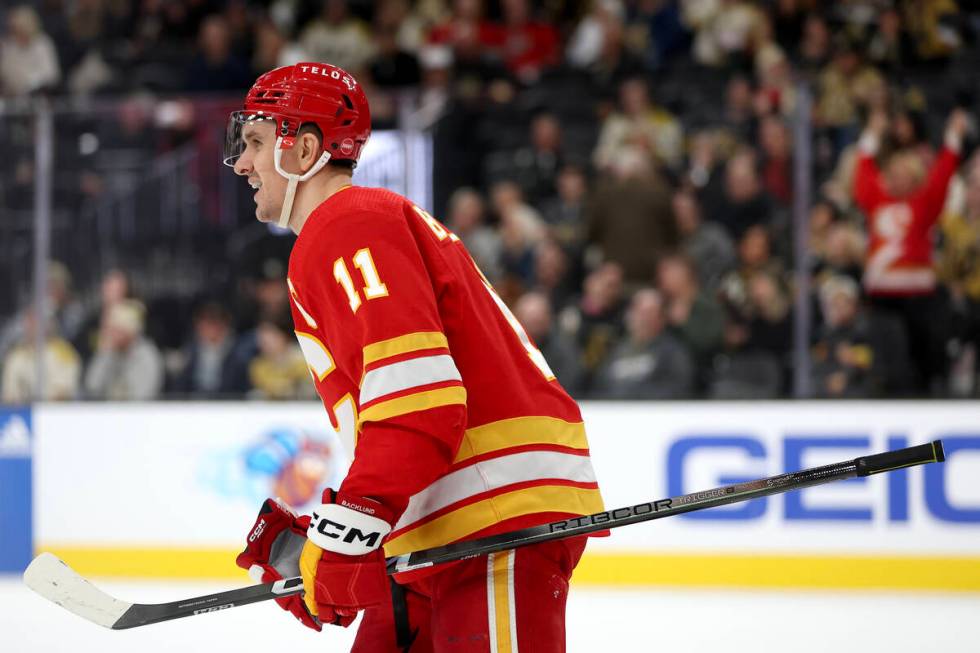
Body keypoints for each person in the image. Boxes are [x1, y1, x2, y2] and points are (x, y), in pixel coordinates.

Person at [225, 62, 604, 651]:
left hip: (489, 515)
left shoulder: (346, 225)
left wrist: (351, 524)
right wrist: (344, 535)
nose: (243, 164)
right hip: (442, 522)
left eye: (255, 142)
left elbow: (417, 403)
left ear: (302, 150)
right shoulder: (354, 227)